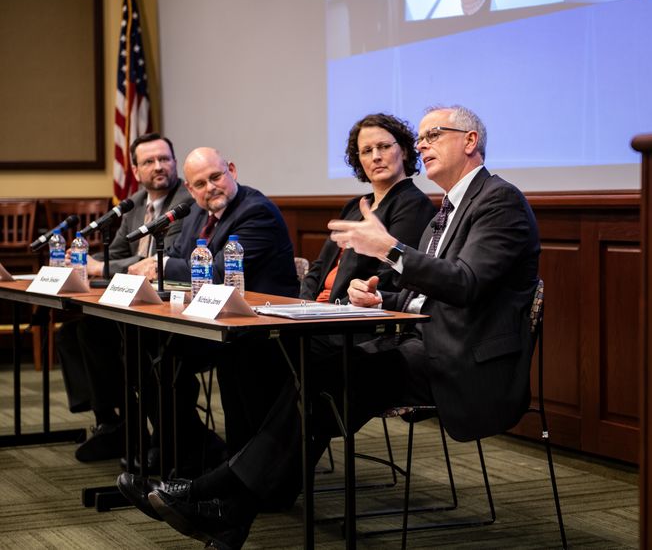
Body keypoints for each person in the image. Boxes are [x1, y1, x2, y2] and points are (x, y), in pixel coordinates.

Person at [119, 105, 540, 550]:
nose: (422, 145)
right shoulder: (448, 208)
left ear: (470, 141)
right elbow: (430, 295)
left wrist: (391, 249)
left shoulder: (498, 200)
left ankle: (213, 492)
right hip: (424, 343)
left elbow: (466, 284)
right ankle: (229, 513)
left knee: (323, 372)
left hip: (464, 361)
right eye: (420, 137)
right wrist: (381, 298)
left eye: (433, 135)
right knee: (319, 379)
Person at [127, 146, 300, 462]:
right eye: (201, 184)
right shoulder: (196, 213)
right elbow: (180, 256)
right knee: (142, 347)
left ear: (231, 171)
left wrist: (158, 266)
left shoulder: (256, 211)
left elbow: (220, 271)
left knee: (162, 356)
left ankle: (191, 450)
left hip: (259, 329)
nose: (211, 188)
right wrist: (163, 264)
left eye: (216, 177)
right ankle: (184, 446)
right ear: (190, 189)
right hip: (213, 320)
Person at [56, 133, 193, 462]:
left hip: (168, 303)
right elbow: (115, 254)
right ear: (135, 170)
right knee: (73, 333)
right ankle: (112, 423)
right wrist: (101, 265)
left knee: (110, 338)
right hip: (132, 298)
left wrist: (100, 266)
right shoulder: (133, 205)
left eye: (165, 159)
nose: (159, 167)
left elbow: (165, 259)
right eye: (149, 161)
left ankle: (137, 430)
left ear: (175, 163)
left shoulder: (184, 203)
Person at [300, 112, 436, 305]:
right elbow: (318, 268)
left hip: (352, 318)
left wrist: (333, 310)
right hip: (318, 313)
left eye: (384, 147)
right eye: (366, 151)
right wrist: (304, 306)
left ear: (404, 150)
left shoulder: (414, 205)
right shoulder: (354, 206)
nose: (376, 157)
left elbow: (389, 278)